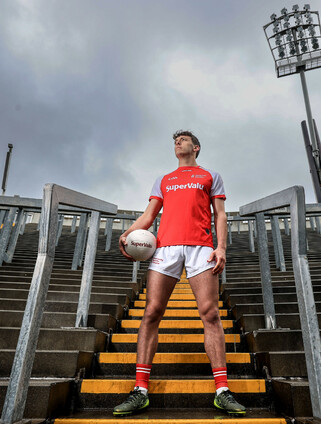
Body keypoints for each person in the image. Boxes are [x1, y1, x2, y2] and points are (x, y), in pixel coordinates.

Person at [113, 130, 246, 416]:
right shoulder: (164, 179)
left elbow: (220, 214)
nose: (178, 142)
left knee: (210, 313)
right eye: (176, 140)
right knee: (151, 312)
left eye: (184, 139)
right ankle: (140, 390)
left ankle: (222, 390)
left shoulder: (210, 176)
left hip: (201, 247)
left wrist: (221, 247)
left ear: (196, 147)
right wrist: (127, 234)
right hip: (166, 248)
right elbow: (149, 215)